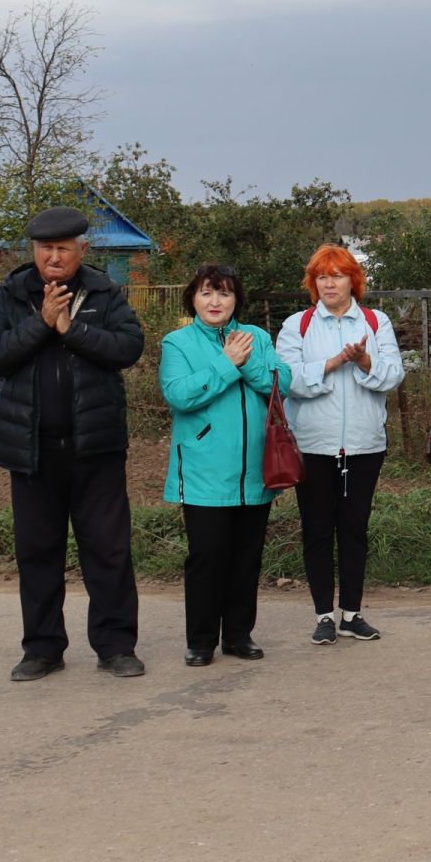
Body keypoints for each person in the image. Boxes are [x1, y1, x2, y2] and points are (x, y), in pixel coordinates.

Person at [0, 206, 147, 681]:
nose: (53, 257)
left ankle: (115, 646)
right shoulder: (8, 295)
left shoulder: (105, 292)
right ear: (33, 251)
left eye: (63, 249)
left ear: (81, 250)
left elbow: (128, 348)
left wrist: (73, 329)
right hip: (32, 450)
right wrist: (41, 324)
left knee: (108, 551)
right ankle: (42, 649)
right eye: (45, 249)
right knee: (38, 551)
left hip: (97, 448)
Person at [160, 264, 294, 666]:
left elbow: (282, 383)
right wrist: (226, 362)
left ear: (236, 300)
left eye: (223, 293)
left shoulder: (256, 337)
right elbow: (179, 394)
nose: (215, 301)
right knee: (207, 556)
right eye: (206, 293)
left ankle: (238, 635)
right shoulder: (177, 342)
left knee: (247, 557)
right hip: (203, 469)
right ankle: (201, 641)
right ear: (193, 299)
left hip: (256, 467)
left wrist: (246, 360)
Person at [275, 245, 405, 645]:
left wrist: (364, 363)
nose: (329, 283)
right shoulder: (296, 325)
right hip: (313, 446)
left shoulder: (375, 321)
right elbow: (284, 380)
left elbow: (394, 374)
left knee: (354, 529)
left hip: (364, 446)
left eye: (338, 275)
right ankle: (323, 616)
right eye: (321, 277)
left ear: (354, 280)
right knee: (316, 531)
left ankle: (352, 613)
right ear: (313, 283)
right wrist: (332, 363)